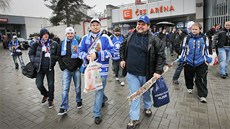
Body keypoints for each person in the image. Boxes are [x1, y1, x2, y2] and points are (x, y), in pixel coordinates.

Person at [120, 15, 165, 129]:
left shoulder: (154, 39)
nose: (140, 26)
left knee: (145, 93)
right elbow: (122, 47)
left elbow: (161, 55)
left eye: (143, 24)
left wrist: (158, 71)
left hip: (147, 73)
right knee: (135, 95)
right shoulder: (130, 35)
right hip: (131, 72)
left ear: (148, 26)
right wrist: (122, 59)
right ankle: (134, 118)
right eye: (138, 24)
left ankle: (147, 106)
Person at [79, 18, 114, 124]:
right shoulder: (85, 38)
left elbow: (112, 51)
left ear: (100, 26)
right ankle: (103, 99)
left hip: (102, 69)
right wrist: (86, 56)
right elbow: (80, 51)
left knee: (98, 90)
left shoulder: (106, 38)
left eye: (97, 24)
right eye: (93, 25)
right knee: (98, 90)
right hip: (90, 69)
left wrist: (98, 54)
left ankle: (97, 114)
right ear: (90, 26)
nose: (95, 26)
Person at [172, 22, 212, 103]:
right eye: (192, 29)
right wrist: (182, 58)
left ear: (199, 29)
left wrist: (207, 59)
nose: (194, 31)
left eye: (196, 29)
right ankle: (189, 87)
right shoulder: (187, 38)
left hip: (201, 62)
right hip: (189, 61)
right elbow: (183, 49)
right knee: (188, 76)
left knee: (200, 79)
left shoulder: (204, 38)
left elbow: (207, 49)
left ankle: (202, 95)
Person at [28, 28, 58, 109]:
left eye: (47, 34)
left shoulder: (53, 43)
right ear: (41, 35)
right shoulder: (36, 44)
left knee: (51, 84)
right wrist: (34, 61)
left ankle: (51, 100)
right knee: (39, 84)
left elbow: (57, 54)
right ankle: (46, 94)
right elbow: (30, 53)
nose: (46, 35)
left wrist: (54, 59)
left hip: (49, 68)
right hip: (39, 69)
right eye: (44, 34)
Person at [57, 27, 83, 115]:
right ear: (66, 34)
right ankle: (63, 107)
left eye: (71, 33)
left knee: (78, 88)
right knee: (65, 89)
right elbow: (59, 56)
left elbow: (81, 55)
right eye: (68, 33)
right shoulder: (61, 44)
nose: (70, 35)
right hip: (66, 70)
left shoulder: (78, 42)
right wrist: (62, 67)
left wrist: (79, 66)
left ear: (74, 34)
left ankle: (79, 100)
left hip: (76, 69)